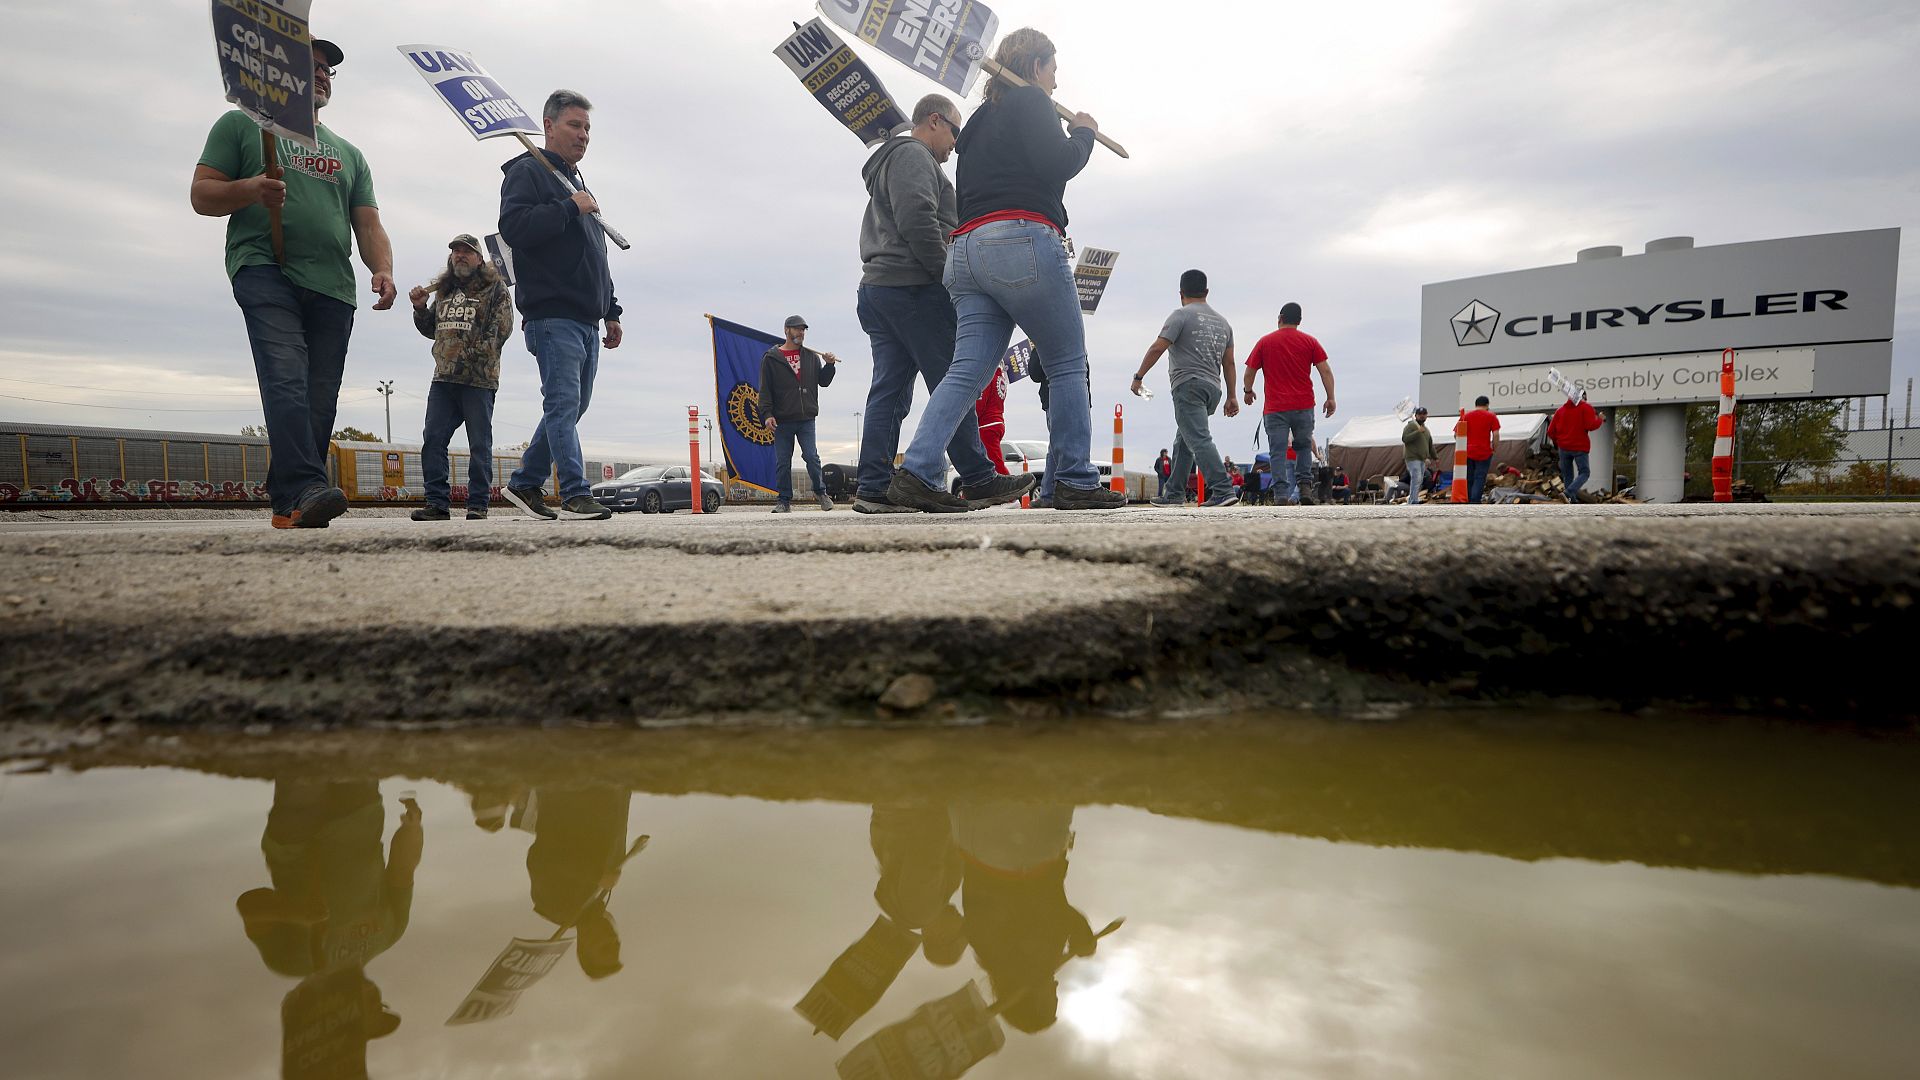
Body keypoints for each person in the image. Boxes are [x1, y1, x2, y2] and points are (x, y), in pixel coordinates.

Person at [886, 28, 1123, 513]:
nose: (1055, 82)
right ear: (1035, 66)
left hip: (967, 251)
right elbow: (1058, 164)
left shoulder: (973, 123)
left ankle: (916, 470)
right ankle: (1075, 479)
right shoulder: (1032, 101)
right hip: (1022, 239)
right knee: (1066, 361)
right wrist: (1083, 133)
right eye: (1053, 70)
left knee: (966, 371)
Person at [192, 37, 395, 529]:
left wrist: (381, 267)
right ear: (283, 75)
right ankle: (307, 484)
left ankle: (290, 499)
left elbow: (367, 223)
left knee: (319, 396)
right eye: (312, 66)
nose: (322, 74)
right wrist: (251, 189)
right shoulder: (243, 124)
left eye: (328, 69)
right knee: (286, 377)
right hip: (265, 268)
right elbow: (202, 195)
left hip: (333, 285)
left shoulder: (349, 153)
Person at [853, 95, 1030, 514]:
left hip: (881, 287)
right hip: (914, 287)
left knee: (890, 391)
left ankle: (874, 487)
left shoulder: (893, 160)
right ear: (934, 120)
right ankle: (979, 478)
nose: (956, 144)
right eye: (954, 131)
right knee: (953, 382)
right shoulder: (914, 155)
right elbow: (917, 217)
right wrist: (946, 276)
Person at [497, 90, 621, 522]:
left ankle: (524, 483)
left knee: (571, 407)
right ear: (548, 126)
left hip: (587, 317)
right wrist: (568, 207)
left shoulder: (577, 182)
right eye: (574, 125)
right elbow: (514, 227)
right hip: (553, 315)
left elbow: (595, 253)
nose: (583, 135)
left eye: (587, 127)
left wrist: (612, 309)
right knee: (563, 404)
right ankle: (573, 491)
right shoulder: (529, 172)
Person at [409, 234, 514, 521]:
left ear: (479, 259)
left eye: (467, 251)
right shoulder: (443, 291)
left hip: (478, 380)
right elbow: (432, 329)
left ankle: (477, 504)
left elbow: (501, 331)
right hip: (443, 380)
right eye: (455, 251)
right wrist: (420, 307)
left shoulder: (495, 289)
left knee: (479, 444)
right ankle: (437, 504)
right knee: (433, 439)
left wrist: (468, 355)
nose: (459, 255)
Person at [1134, 269, 1240, 508]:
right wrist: (1232, 396)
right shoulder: (1224, 323)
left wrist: (1138, 377)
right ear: (1207, 292)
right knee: (1184, 441)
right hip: (1213, 389)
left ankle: (1223, 489)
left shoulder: (1180, 316)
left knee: (1199, 439)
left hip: (1188, 386)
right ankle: (1173, 494)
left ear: (1181, 293)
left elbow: (1157, 348)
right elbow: (1229, 362)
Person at [1242, 302, 1335, 505]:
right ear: (1299, 321)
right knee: (1303, 447)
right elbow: (1325, 370)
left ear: (1280, 318)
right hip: (1303, 405)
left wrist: (1248, 392)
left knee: (1277, 451)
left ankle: (1281, 494)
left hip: (1275, 408)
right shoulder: (1310, 342)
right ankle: (1304, 489)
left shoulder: (1265, 342)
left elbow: (1250, 371)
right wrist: (1330, 397)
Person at [759, 315, 839, 513]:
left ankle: (821, 493)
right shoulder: (771, 358)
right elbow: (765, 389)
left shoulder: (811, 357)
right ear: (786, 330)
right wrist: (767, 414)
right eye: (796, 329)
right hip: (782, 420)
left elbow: (824, 382)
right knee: (783, 462)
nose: (801, 333)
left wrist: (829, 365)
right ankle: (784, 501)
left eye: (803, 329)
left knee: (812, 457)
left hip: (806, 418)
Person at [1549, 391, 1605, 502]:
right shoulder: (1586, 408)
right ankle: (1569, 492)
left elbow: (1551, 431)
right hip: (1580, 447)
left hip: (1564, 448)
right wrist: (1600, 419)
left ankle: (1571, 500)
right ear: (1584, 397)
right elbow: (1591, 425)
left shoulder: (1560, 411)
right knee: (1584, 472)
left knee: (1568, 475)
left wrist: (1558, 442)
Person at [1462, 395, 1501, 503]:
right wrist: (1494, 448)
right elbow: (1496, 434)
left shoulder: (1466, 416)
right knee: (1480, 477)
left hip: (1467, 452)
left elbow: (1457, 434)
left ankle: (1469, 499)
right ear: (1487, 405)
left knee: (1469, 477)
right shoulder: (1491, 416)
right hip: (1484, 452)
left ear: (1476, 404)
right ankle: (1475, 500)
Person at [975, 363, 1011, 475]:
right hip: (997, 422)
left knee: (995, 464)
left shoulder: (987, 377)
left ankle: (1009, 487)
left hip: (986, 426)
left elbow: (979, 405)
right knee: (986, 463)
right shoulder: (1000, 378)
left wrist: (971, 419)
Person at [1402, 406, 1435, 505]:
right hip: (1413, 458)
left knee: (1419, 479)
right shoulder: (1411, 426)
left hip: (1422, 459)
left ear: (1426, 415)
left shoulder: (1426, 429)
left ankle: (1413, 498)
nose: (1422, 416)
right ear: (1415, 416)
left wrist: (1435, 457)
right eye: (1420, 414)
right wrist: (1417, 432)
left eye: (1424, 414)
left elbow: (1429, 444)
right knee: (1416, 478)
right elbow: (1405, 438)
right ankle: (1413, 500)